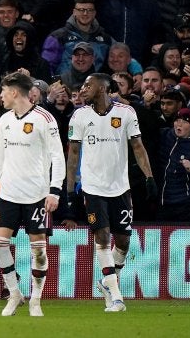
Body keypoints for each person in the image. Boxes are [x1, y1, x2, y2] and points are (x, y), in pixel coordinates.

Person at [67, 73, 157, 313]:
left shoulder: (126, 113)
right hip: (93, 187)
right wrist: (68, 189)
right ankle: (117, 297)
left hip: (120, 188)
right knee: (103, 236)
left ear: (104, 88)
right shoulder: (79, 116)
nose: (83, 88)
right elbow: (73, 154)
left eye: (89, 85)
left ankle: (108, 282)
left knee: (123, 242)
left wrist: (149, 177)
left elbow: (138, 146)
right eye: (83, 84)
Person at [0, 72, 65, 317]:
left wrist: (54, 191)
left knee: (38, 249)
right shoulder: (5, 119)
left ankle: (36, 299)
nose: (1, 97)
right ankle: (15, 293)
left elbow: (58, 157)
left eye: (4, 92)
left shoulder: (44, 119)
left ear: (15, 92)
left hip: (37, 195)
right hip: (8, 194)